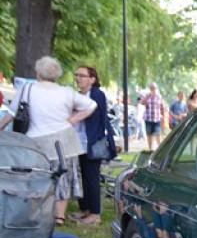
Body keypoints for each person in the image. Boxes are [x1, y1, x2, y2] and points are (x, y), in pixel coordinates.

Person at [0, 56, 96, 225]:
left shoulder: (27, 89)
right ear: (57, 74)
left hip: (35, 143)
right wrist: (74, 119)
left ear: (38, 73)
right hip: (64, 141)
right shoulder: (66, 92)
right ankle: (59, 216)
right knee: (63, 178)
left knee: (34, 177)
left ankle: (35, 213)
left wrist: (1, 127)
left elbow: (12, 113)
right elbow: (91, 105)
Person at [71, 65, 116, 225]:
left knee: (92, 177)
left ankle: (95, 213)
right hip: (78, 140)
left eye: (82, 75)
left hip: (93, 141)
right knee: (81, 176)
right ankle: (85, 208)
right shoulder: (77, 95)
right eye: (77, 75)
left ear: (92, 79)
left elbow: (97, 117)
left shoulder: (97, 94)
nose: (78, 78)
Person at [141, 82, 166, 151]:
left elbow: (162, 107)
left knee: (158, 134)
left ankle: (160, 149)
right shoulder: (146, 96)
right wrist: (147, 96)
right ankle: (150, 149)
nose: (153, 90)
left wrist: (163, 117)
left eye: (154, 88)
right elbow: (142, 103)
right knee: (149, 134)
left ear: (156, 88)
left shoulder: (159, 96)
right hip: (148, 118)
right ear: (150, 89)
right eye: (151, 88)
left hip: (157, 118)